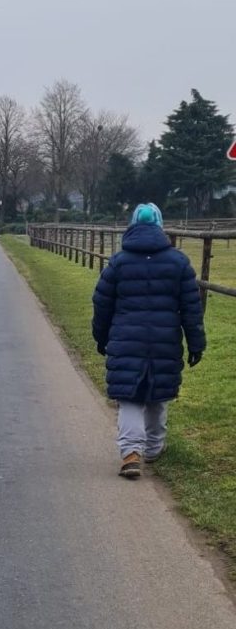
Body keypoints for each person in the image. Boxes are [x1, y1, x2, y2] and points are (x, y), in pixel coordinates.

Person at [92, 203, 206, 479]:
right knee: (158, 395)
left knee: (129, 397)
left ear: (132, 225)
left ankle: (131, 453)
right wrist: (196, 343)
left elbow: (102, 304)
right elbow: (191, 307)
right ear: (160, 226)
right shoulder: (178, 262)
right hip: (163, 339)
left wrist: (101, 336)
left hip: (126, 338)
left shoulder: (118, 262)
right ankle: (154, 447)